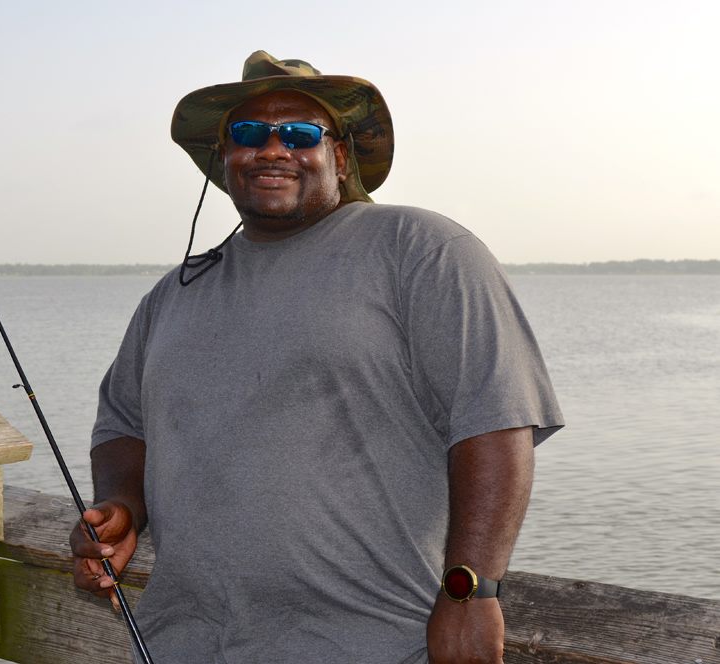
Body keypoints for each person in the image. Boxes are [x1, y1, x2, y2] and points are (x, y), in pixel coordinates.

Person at [71, 50, 563, 664]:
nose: (272, 149)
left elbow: (494, 423)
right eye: (249, 133)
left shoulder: (422, 249)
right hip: (184, 642)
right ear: (224, 159)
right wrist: (120, 509)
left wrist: (471, 592)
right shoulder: (174, 292)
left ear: (339, 155)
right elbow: (122, 427)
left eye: (300, 133)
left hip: (377, 644)